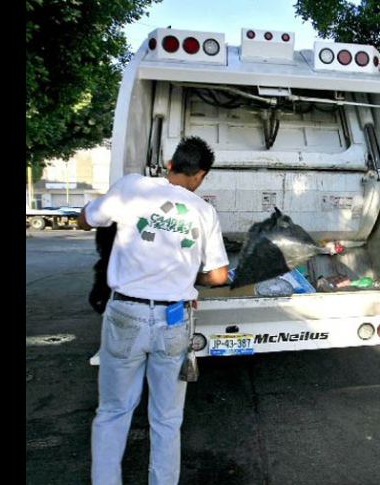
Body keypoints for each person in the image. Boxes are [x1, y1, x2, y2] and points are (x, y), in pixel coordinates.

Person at [79, 136, 229, 485]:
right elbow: (219, 275)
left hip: (126, 315)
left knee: (114, 411)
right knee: (166, 418)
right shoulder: (204, 211)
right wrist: (191, 275)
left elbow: (89, 219)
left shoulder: (133, 187)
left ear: (170, 164)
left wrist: (86, 216)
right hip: (174, 321)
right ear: (201, 176)